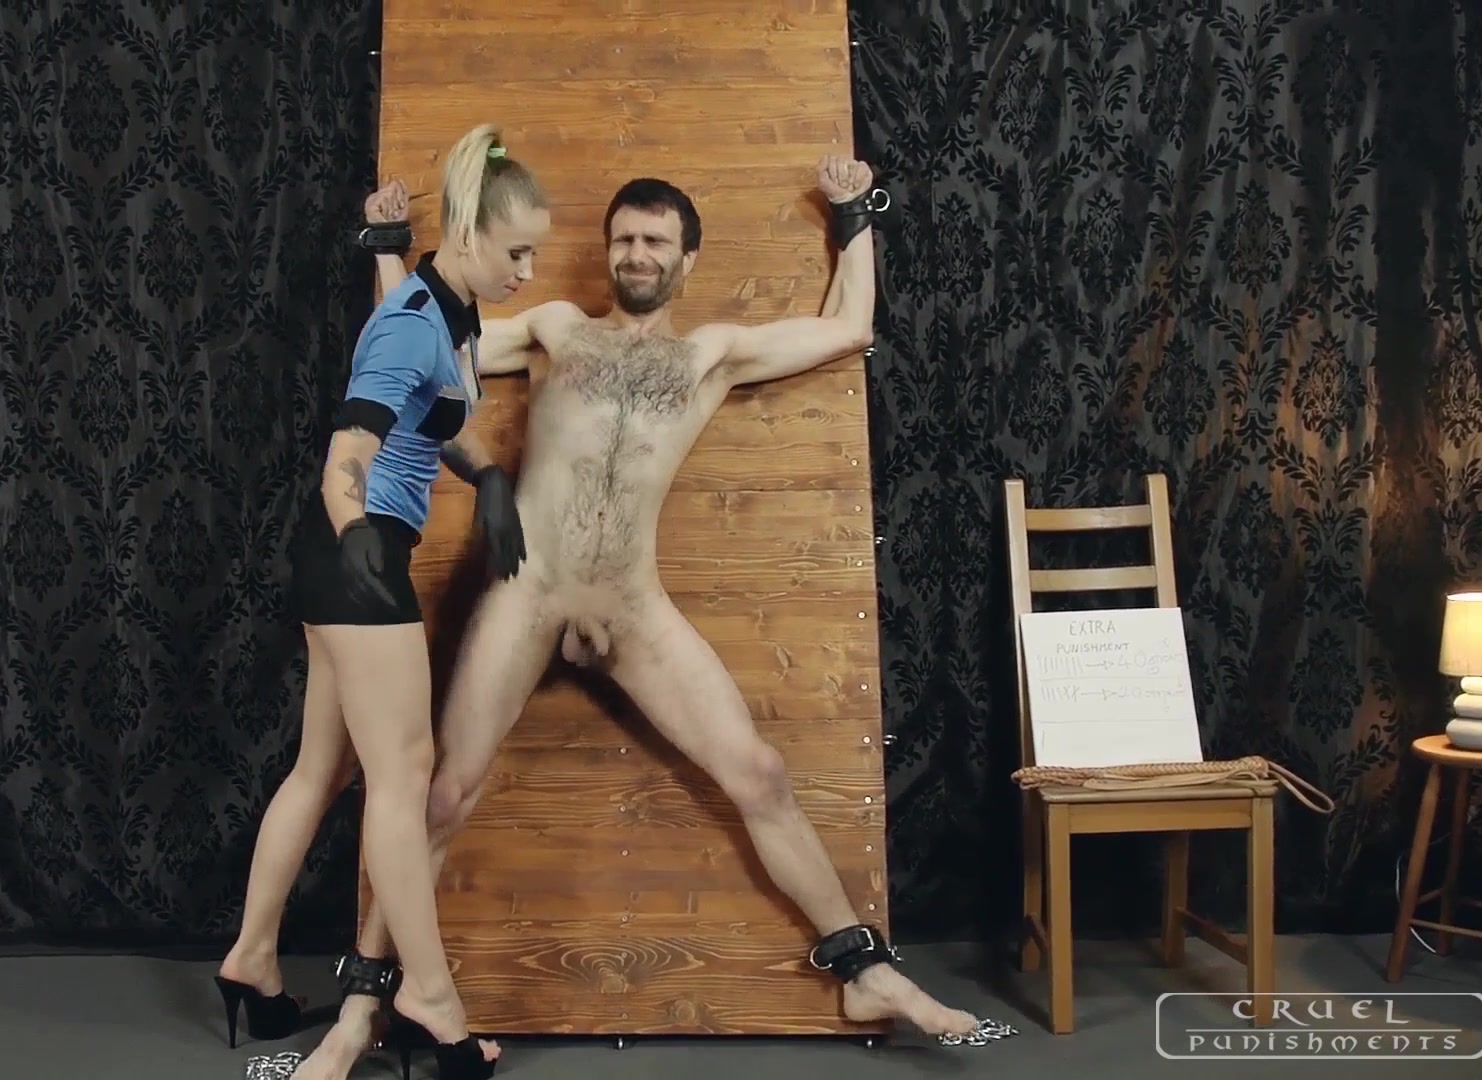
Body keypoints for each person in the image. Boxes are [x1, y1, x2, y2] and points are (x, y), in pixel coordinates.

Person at [296, 155, 999, 1075]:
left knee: (761, 774)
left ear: (686, 258)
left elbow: (848, 327)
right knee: (439, 797)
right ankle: (362, 1010)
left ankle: (863, 970)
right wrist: (389, 244)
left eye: (655, 241)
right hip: (528, 591)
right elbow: (418, 345)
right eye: (624, 238)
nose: (636, 252)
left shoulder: (712, 355)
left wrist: (854, 215)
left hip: (633, 604)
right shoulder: (555, 328)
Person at [212, 121, 549, 1080]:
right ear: (470, 235)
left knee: (321, 771)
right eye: (517, 253)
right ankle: (430, 997)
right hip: (357, 556)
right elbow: (346, 461)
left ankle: (251, 961)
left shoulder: (452, 310)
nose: (528, 271)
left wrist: (485, 475)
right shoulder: (410, 323)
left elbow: (431, 419)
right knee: (404, 776)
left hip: (350, 560)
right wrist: (357, 532)